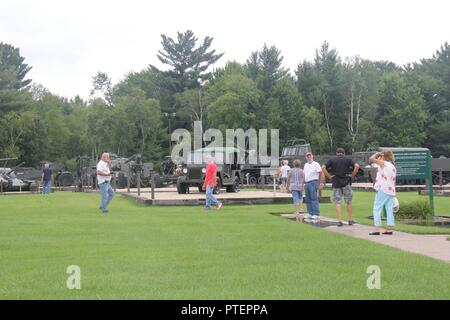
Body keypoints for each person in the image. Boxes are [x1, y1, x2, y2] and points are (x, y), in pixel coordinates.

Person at [322, 148, 360, 227]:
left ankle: (339, 221)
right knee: (348, 201)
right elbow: (357, 166)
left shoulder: (332, 160)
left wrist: (329, 176)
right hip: (346, 182)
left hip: (336, 182)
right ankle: (349, 220)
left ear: (336, 153)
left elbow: (323, 167)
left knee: (337, 202)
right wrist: (352, 175)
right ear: (344, 153)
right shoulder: (348, 159)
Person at [369, 149, 397, 235]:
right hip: (391, 190)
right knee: (389, 209)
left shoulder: (383, 163)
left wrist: (377, 153)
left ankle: (376, 228)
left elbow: (371, 159)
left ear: (383, 156)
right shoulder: (392, 166)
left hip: (383, 189)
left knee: (377, 207)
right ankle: (389, 228)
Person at [303, 152, 325, 220]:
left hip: (313, 182)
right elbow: (304, 174)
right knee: (308, 199)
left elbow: (321, 173)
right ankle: (310, 213)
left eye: (310, 156)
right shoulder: (305, 164)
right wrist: (303, 183)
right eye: (307, 156)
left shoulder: (316, 164)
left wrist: (321, 182)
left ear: (312, 156)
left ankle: (316, 213)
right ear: (306, 157)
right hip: (307, 182)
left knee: (314, 198)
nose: (309, 157)